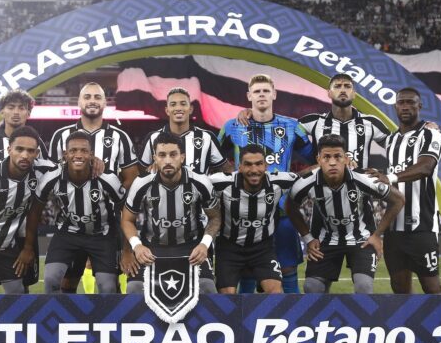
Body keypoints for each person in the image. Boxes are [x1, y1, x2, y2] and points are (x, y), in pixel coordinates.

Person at [219, 73, 313, 293]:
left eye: (265, 91)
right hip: (243, 214)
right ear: (249, 95)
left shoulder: (292, 126)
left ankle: (292, 321)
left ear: (274, 94)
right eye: (257, 91)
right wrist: (233, 176)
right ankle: (244, 325)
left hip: (281, 211)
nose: (261, 94)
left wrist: (296, 179)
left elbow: (317, 159)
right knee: (245, 272)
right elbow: (213, 158)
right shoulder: (232, 126)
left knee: (287, 268)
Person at [48, 82, 138, 293]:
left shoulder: (119, 137)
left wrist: (106, 197)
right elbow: (50, 178)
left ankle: (109, 324)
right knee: (66, 282)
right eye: (87, 97)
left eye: (97, 97)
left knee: (109, 284)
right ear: (79, 102)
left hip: (107, 226)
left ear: (105, 102)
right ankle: (66, 323)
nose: (92, 101)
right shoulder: (60, 136)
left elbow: (131, 180)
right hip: (70, 223)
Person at [286, 135, 404, 294]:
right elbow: (290, 207)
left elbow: (398, 199)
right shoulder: (305, 183)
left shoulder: (363, 179)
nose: (332, 162)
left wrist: (377, 235)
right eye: (326, 157)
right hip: (325, 240)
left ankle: (361, 319)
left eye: (337, 156)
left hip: (361, 239)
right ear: (318, 159)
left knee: (364, 286)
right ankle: (322, 319)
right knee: (312, 287)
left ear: (346, 159)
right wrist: (308, 238)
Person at [0, 88, 49, 293]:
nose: (16, 112)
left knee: (21, 283)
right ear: (1, 112)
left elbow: (45, 176)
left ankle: (20, 323)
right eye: (10, 107)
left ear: (28, 113)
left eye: (22, 108)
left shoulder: (36, 143)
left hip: (20, 226)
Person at [366, 87, 441, 294]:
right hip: (394, 230)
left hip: (423, 227)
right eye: (401, 102)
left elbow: (426, 167)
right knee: (399, 288)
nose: (406, 106)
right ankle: (409, 325)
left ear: (420, 106)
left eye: (411, 102)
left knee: (432, 287)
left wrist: (389, 177)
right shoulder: (391, 140)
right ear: (395, 107)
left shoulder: (430, 133)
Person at [122, 133, 222, 295]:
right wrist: (137, 246)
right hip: (152, 249)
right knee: (133, 290)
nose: (168, 160)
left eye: (173, 154)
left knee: (208, 288)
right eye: (162, 155)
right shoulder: (142, 183)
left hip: (191, 248)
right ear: (154, 157)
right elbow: (127, 220)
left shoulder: (200, 182)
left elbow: (215, 217)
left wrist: (205, 244)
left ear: (182, 157)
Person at [26, 132, 125, 294]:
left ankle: (108, 319)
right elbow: (35, 212)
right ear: (66, 154)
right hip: (67, 234)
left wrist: (127, 249)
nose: (78, 155)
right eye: (73, 151)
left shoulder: (108, 179)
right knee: (50, 280)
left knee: (108, 287)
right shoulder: (52, 177)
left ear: (91, 155)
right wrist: (28, 247)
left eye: (84, 151)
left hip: (102, 236)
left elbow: (126, 212)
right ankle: (59, 318)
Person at [209, 144, 298, 294]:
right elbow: (193, 183)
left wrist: (347, 166)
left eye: (258, 164)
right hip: (229, 248)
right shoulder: (221, 183)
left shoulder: (280, 181)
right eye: (248, 164)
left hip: (263, 248)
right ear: (240, 167)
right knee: (227, 297)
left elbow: (309, 177)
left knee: (276, 293)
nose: (254, 170)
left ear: (266, 165)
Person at [298, 73, 391, 170]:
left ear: (354, 93)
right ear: (329, 93)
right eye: (337, 86)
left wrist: (387, 175)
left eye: (347, 86)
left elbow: (399, 146)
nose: (342, 90)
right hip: (322, 184)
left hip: (358, 184)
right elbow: (287, 132)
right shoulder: (314, 121)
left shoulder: (371, 122)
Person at [139, 87, 226, 175]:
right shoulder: (153, 137)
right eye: (173, 104)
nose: (178, 108)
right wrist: (151, 169)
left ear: (191, 109)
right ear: (167, 110)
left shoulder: (207, 137)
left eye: (183, 104)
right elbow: (140, 172)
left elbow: (226, 169)